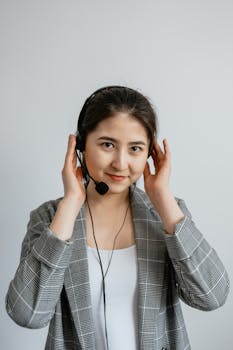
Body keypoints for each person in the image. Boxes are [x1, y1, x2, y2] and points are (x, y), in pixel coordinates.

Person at [5, 85, 230, 350]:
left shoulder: (165, 214)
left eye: (135, 148)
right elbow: (26, 314)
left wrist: (163, 198)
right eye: (108, 144)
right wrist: (70, 204)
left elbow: (212, 296)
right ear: (80, 145)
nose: (121, 163)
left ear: (150, 154)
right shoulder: (51, 218)